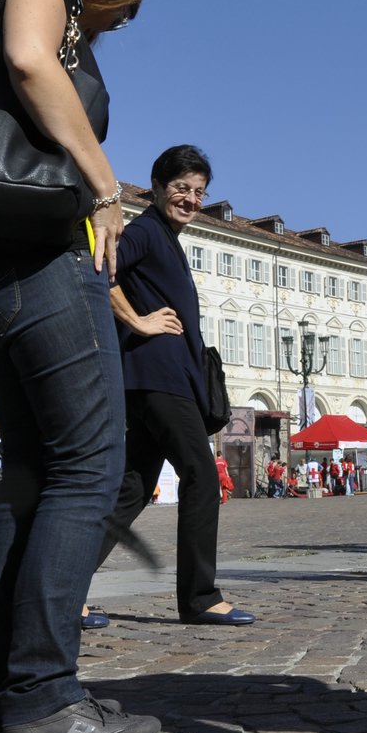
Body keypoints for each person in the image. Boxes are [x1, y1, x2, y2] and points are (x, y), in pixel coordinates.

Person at [0, 0, 160, 733]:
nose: (114, 27)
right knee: (90, 470)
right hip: (38, 264)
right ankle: (42, 693)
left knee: (32, 475)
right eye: (123, 11)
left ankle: (9, 677)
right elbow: (33, 57)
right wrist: (104, 184)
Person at [97, 144, 254, 627]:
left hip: (162, 378)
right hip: (156, 377)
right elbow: (98, 269)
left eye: (199, 191)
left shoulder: (166, 236)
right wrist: (138, 322)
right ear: (159, 188)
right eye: (181, 188)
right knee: (201, 476)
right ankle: (200, 597)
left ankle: (61, 587)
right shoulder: (144, 231)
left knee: (132, 489)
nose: (190, 198)